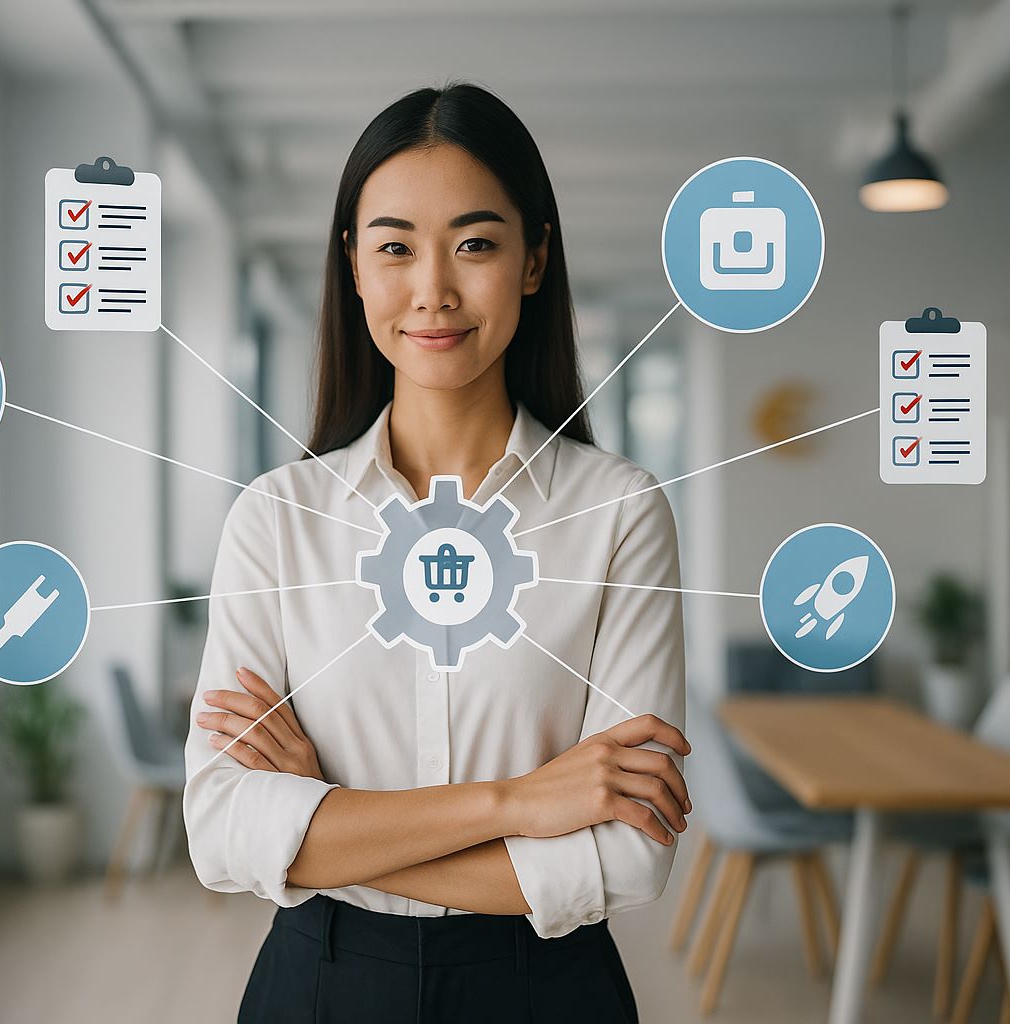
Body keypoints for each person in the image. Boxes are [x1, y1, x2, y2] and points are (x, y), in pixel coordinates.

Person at [183, 82, 690, 1024]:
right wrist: (520, 803)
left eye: (476, 243)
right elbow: (221, 834)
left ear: (535, 259)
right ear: (355, 269)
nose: (433, 289)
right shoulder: (276, 518)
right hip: (321, 984)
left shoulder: (619, 511)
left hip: (546, 992)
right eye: (394, 247)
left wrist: (327, 818)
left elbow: (629, 854)